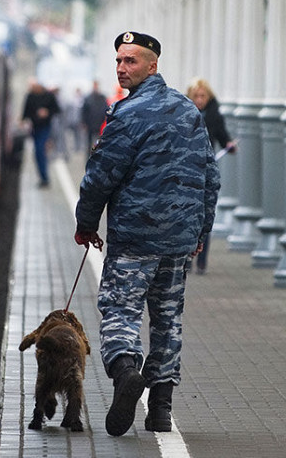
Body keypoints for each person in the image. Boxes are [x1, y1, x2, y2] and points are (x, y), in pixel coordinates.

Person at [73, 31, 220, 437]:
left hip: (135, 238)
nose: (122, 68)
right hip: (178, 241)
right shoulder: (189, 111)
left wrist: (86, 223)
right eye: (119, 60)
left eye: (131, 61)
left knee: (120, 311)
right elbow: (211, 178)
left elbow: (100, 176)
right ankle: (160, 409)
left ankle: (125, 374)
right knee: (167, 321)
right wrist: (200, 231)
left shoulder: (128, 113)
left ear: (153, 65)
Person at [186, 77, 236, 274]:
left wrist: (229, 145)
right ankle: (188, 258)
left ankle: (202, 260)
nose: (199, 99)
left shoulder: (215, 115)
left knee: (205, 214)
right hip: (187, 170)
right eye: (196, 96)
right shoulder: (184, 113)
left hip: (207, 171)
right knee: (188, 215)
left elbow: (223, 136)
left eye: (203, 96)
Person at [21, 79, 61, 187]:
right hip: (35, 127)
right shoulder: (30, 96)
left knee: (40, 149)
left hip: (45, 127)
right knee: (37, 152)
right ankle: (43, 176)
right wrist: (23, 120)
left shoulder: (49, 96)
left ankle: (45, 177)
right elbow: (26, 111)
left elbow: (57, 110)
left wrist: (47, 112)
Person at [81, 80, 108, 151]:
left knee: (99, 142)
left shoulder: (102, 97)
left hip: (100, 123)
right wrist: (84, 123)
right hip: (90, 123)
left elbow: (105, 109)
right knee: (89, 143)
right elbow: (84, 111)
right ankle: (88, 156)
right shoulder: (88, 98)